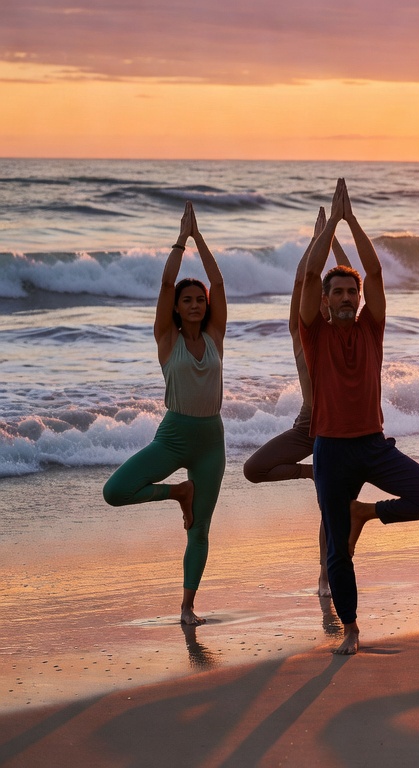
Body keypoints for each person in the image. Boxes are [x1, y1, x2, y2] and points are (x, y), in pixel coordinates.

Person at [300, 179, 419, 654]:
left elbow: (376, 271)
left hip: (372, 445)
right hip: (330, 450)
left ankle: (366, 512)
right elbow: (308, 278)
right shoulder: (315, 334)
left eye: (352, 292)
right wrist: (326, 232)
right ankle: (351, 628)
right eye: (338, 293)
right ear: (326, 302)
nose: (346, 298)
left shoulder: (371, 327)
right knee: (336, 550)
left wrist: (350, 219)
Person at [103, 202, 226, 626]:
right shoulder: (165, 338)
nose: (194, 304)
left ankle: (187, 607)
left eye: (199, 301)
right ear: (176, 308)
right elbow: (165, 282)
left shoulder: (215, 335)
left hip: (211, 440)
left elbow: (217, 280)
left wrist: (200, 238)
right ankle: (177, 493)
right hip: (173, 435)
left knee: (201, 530)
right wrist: (180, 240)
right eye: (186, 301)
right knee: (115, 491)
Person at [242, 206, 353, 596]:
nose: (330, 302)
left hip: (343, 427)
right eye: (324, 296)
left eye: (336, 298)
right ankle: (311, 474)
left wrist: (335, 238)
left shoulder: (347, 331)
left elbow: (353, 282)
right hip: (308, 423)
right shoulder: (300, 332)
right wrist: (315, 241)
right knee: (253, 469)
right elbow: (300, 281)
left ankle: (325, 576)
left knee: (332, 510)